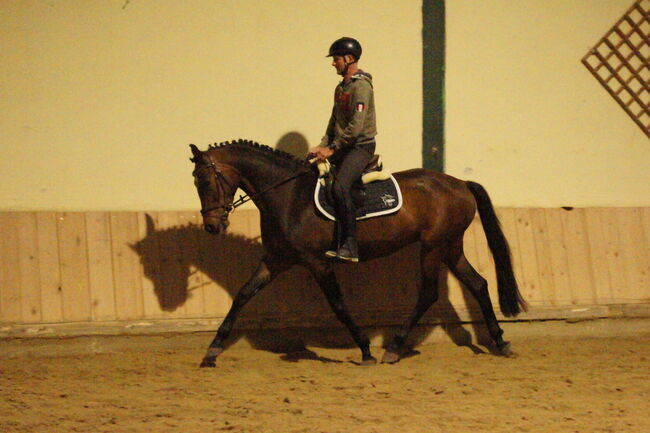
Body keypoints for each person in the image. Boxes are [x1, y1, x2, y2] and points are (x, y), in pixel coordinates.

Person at [309, 37, 377, 263]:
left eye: (336, 59)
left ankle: (350, 246)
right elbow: (333, 122)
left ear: (348, 59)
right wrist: (322, 145)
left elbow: (355, 128)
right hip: (341, 146)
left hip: (359, 147)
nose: (333, 63)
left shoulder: (361, 87)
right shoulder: (341, 88)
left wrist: (333, 149)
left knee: (340, 187)